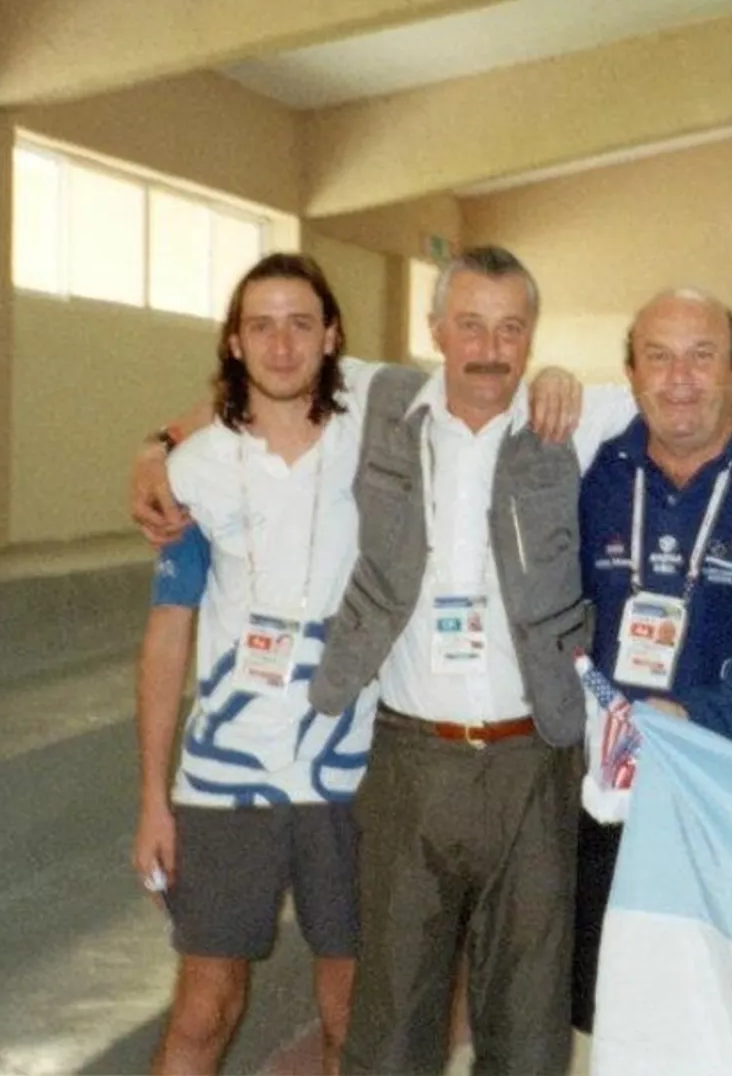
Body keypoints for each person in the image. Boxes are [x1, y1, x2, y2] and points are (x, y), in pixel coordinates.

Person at [305, 246, 636, 1075]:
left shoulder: (572, 414)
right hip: (412, 758)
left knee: (528, 1023)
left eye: (512, 329)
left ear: (533, 336)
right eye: (471, 326)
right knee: (392, 1013)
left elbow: (706, 399)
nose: (490, 349)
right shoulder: (377, 400)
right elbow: (263, 386)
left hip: (534, 759)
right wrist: (157, 444)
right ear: (436, 330)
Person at [133, 253, 377, 1075]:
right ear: (234, 342)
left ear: (332, 334)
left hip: (351, 779)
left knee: (352, 1010)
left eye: (301, 323)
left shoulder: (375, 436)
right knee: (205, 1009)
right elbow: (168, 635)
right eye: (262, 325)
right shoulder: (191, 474)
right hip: (223, 783)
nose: (282, 344)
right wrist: (152, 800)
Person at [569, 288, 732, 1035]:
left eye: (702, 356)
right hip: (615, 791)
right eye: (660, 357)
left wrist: (696, 721)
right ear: (631, 373)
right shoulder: (599, 473)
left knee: (729, 1013)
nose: (680, 378)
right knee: (615, 1009)